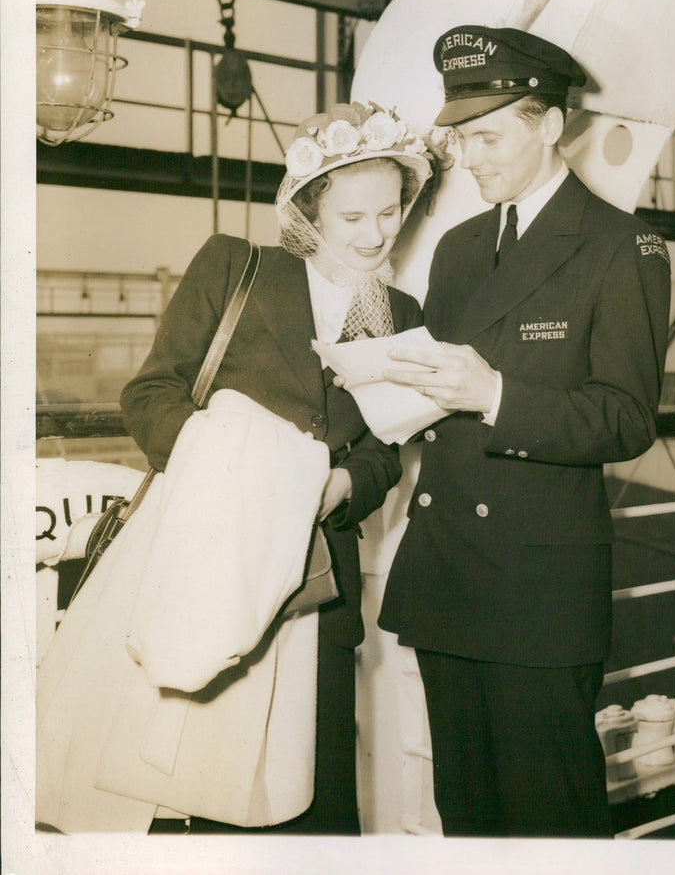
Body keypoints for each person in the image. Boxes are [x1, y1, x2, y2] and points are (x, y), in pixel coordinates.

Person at [35, 101, 431, 835]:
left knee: (309, 803)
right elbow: (150, 393)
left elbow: (384, 445)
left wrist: (345, 486)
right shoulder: (235, 268)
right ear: (308, 211)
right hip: (203, 558)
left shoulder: (398, 311)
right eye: (353, 218)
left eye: (389, 212)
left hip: (316, 588)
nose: (376, 235)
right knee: (188, 794)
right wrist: (236, 481)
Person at [378, 25, 671, 837]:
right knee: (464, 814)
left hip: (538, 593)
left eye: (487, 135)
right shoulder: (460, 248)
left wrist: (496, 392)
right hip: (446, 577)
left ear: (550, 125)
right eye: (460, 137)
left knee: (552, 821)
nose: (469, 156)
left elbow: (625, 416)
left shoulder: (624, 245)